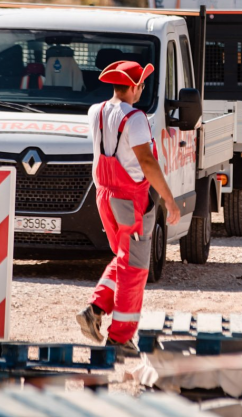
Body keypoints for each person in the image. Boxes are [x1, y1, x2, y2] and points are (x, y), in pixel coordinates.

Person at [76, 60, 181, 360]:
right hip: (130, 200)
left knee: (124, 256)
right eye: (141, 85)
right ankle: (119, 340)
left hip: (104, 197)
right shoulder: (135, 118)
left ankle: (94, 310)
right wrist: (169, 200)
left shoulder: (95, 112)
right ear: (132, 87)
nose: (143, 89)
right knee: (135, 269)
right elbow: (147, 162)